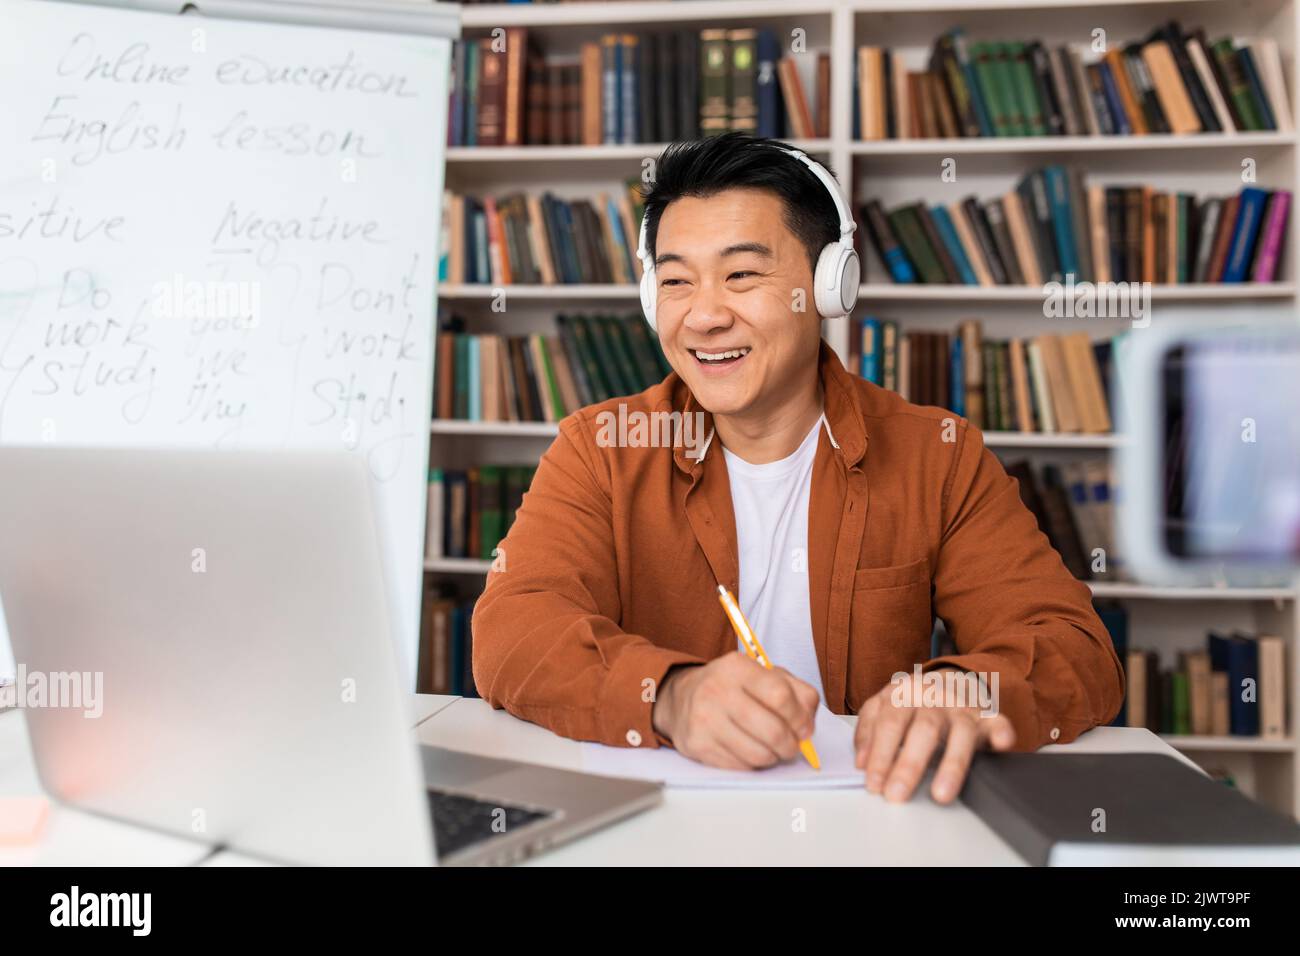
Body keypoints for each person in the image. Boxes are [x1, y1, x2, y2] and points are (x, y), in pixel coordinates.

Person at [472, 133, 1123, 804]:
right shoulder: (601, 447)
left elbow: (1074, 650)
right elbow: (512, 632)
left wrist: (966, 691)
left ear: (826, 285)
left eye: (742, 275)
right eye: (675, 281)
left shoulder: (939, 455)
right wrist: (668, 694)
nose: (704, 315)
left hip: (875, 822)